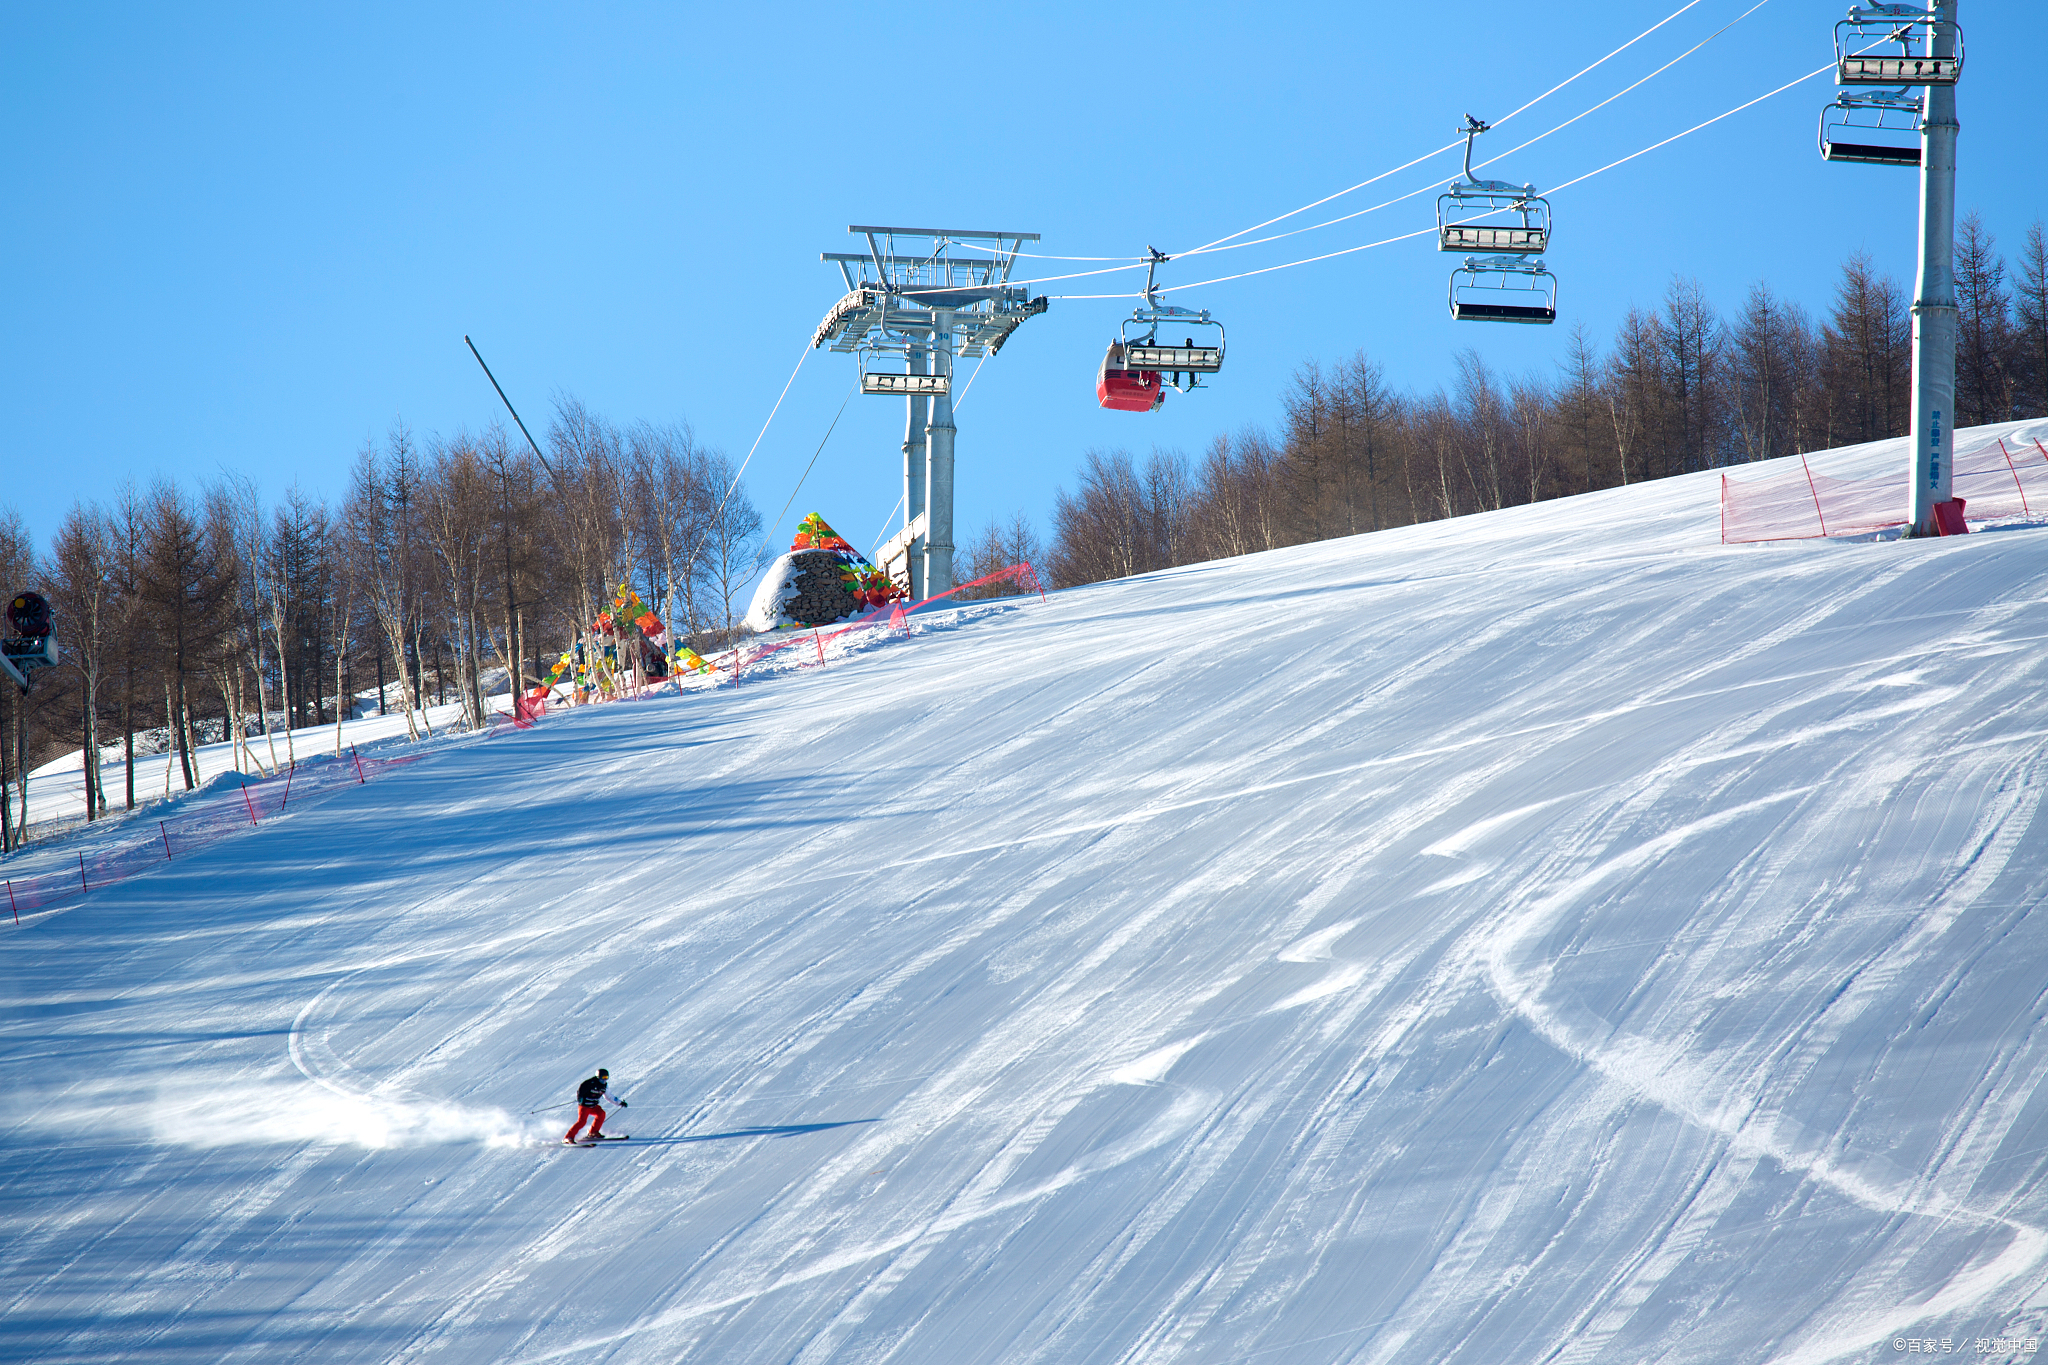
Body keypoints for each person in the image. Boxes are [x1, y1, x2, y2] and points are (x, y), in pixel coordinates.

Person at [563, 1068, 627, 1144]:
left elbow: (609, 1096)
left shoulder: (604, 1086)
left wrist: (619, 1103)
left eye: (606, 1078)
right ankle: (568, 1137)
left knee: (601, 1114)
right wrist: (581, 1100)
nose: (604, 1080)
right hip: (584, 1106)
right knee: (582, 1121)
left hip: (593, 1106)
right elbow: (580, 1092)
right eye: (603, 1078)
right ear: (598, 1076)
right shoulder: (590, 1083)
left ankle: (593, 1133)